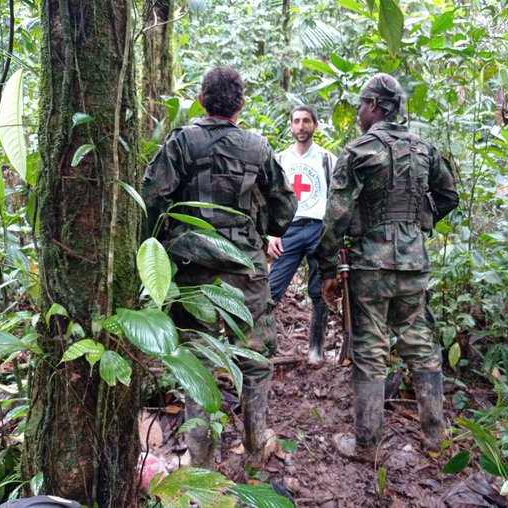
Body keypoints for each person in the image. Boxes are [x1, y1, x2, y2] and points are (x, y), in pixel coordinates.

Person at [142, 67, 297, 469]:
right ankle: (255, 440)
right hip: (243, 266)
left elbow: (153, 200)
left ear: (201, 100)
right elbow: (284, 208)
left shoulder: (181, 142)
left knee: (197, 362)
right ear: (241, 104)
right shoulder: (258, 148)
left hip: (191, 267)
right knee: (256, 355)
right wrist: (263, 229)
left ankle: (202, 462)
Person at [315, 73, 459, 460]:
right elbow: (448, 195)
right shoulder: (424, 149)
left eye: (361, 104)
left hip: (370, 266)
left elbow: (336, 213)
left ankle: (366, 445)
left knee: (369, 349)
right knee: (420, 344)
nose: (359, 111)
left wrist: (327, 267)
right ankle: (435, 438)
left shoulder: (360, 150)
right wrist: (416, 223)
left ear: (376, 106)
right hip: (413, 264)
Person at [267, 105, 337, 364]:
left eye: (306, 121)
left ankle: (315, 350)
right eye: (296, 121)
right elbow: (268, 198)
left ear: (315, 125)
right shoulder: (281, 159)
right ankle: (264, 346)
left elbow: (338, 201)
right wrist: (270, 235)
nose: (301, 126)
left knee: (319, 291)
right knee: (271, 289)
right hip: (290, 229)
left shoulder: (328, 160)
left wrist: (335, 238)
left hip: (319, 229)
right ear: (291, 125)